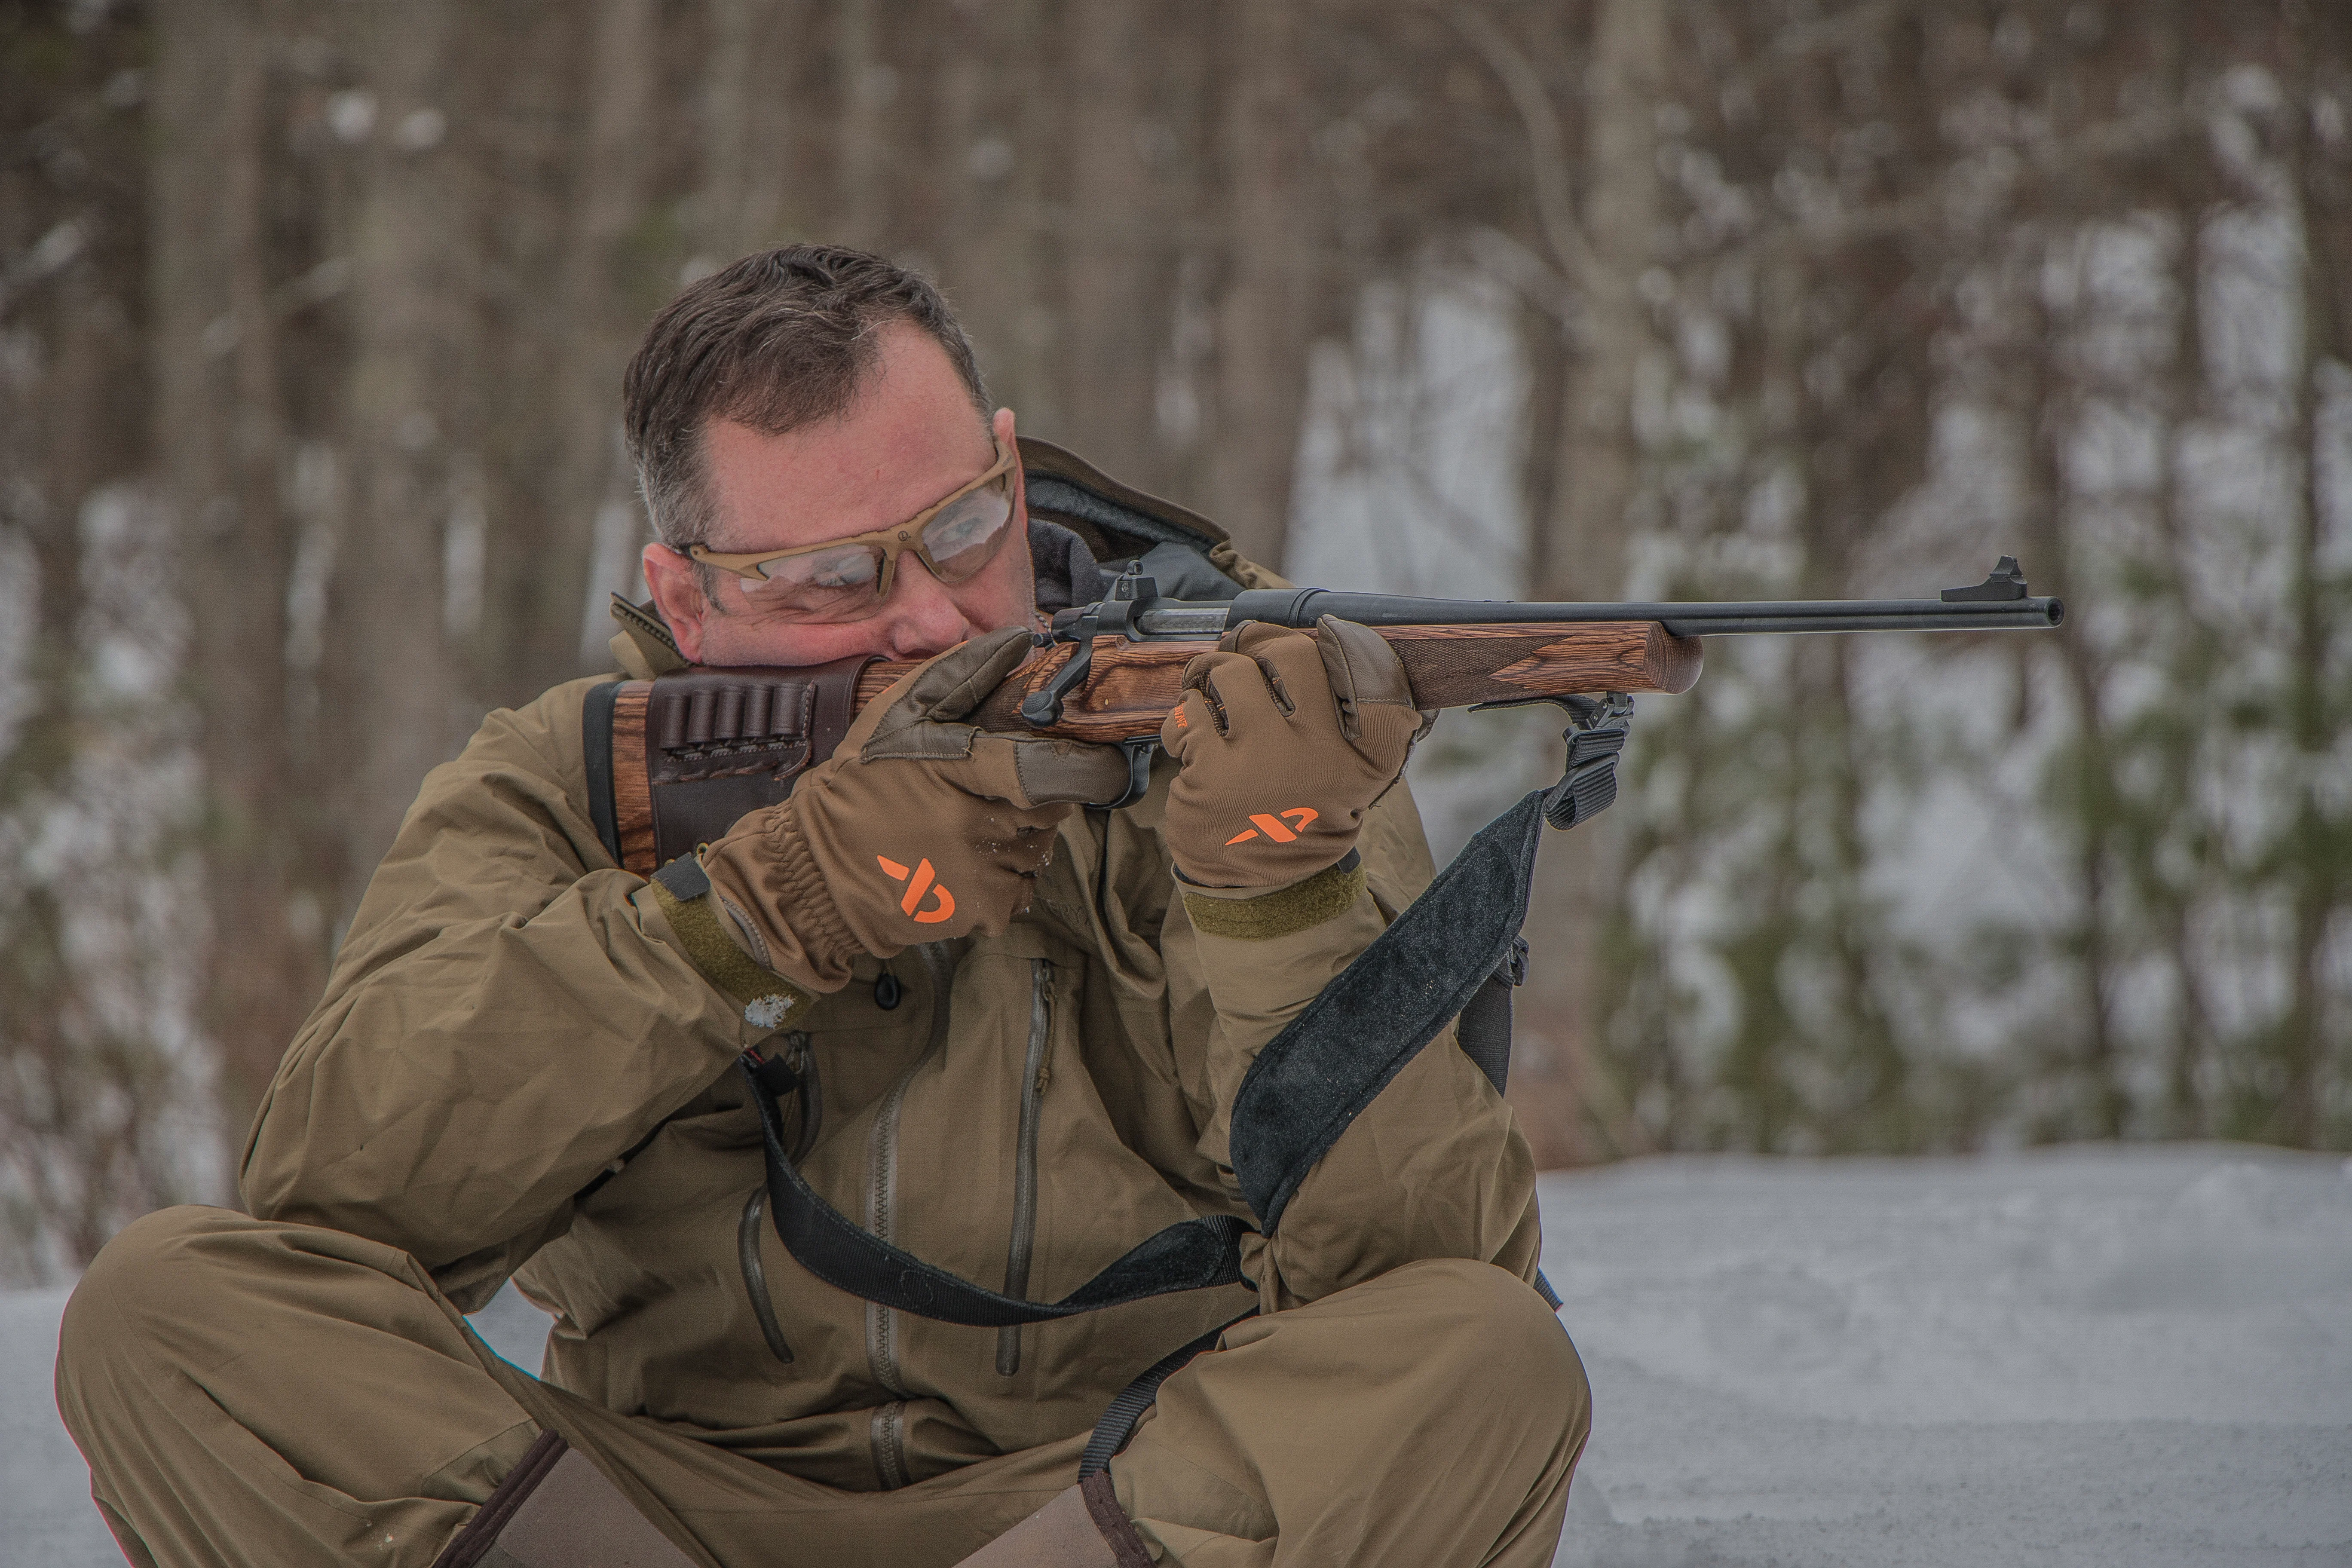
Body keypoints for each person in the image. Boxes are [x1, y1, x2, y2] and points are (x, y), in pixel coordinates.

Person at [56, 245, 1588, 1568]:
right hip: (650, 1515)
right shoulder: (573, 785)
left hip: (1112, 1506)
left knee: (1487, 1360)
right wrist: (757, 920)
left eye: (964, 532)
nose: (930, 616)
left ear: (1006, 459)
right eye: (833, 579)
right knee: (165, 1314)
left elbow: (1425, 1278)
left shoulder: (1244, 737)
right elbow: (337, 1202)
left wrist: (1273, 889)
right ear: (687, 594)